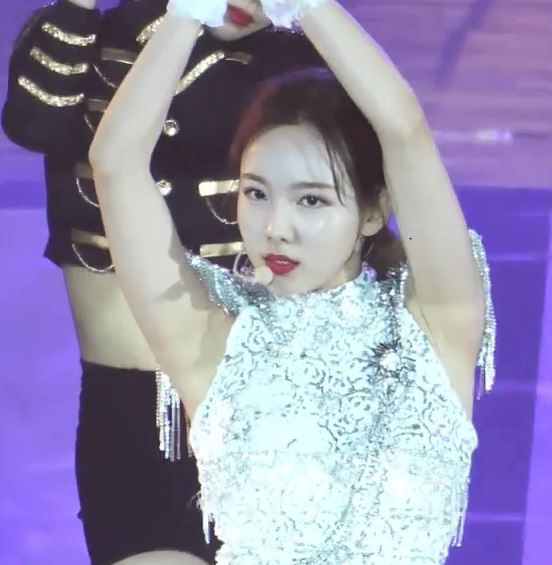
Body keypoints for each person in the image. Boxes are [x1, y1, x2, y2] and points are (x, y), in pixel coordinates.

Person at [90, 0, 497, 563]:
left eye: (312, 200)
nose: (276, 228)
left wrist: (307, 4)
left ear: (373, 212)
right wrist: (187, 12)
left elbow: (404, 130)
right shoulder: (212, 337)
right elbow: (115, 163)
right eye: (256, 193)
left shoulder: (434, 323)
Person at [2, 0, 324, 564]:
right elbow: (33, 122)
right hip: (128, 415)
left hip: (269, 409)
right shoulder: (85, 40)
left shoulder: (298, 65)